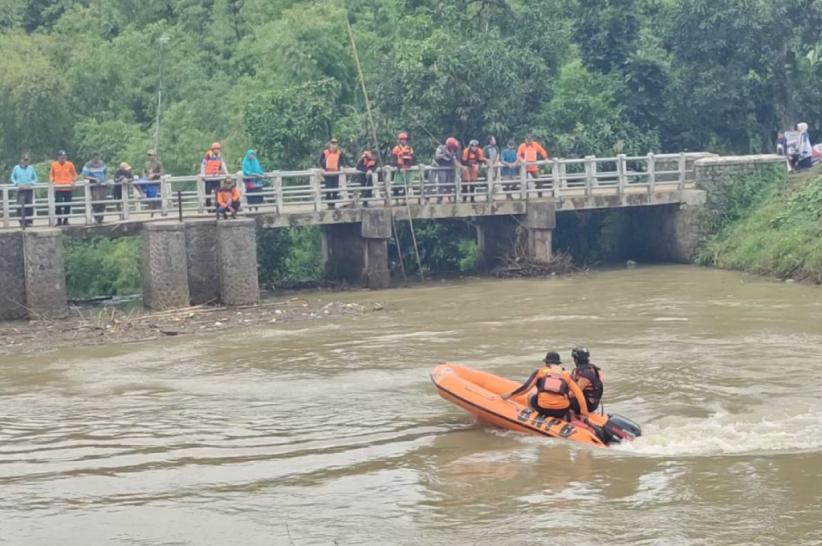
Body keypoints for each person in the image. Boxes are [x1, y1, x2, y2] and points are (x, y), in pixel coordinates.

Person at [501, 351, 589, 421]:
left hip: (543, 408)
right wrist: (584, 413)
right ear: (558, 364)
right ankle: (563, 419)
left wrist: (509, 395)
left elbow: (526, 388)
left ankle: (532, 419)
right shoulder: (566, 375)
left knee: (530, 396)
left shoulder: (540, 372)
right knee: (566, 401)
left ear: (546, 362)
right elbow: (579, 394)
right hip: (561, 411)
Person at [569, 347, 604, 413]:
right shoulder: (594, 369)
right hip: (592, 401)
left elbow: (575, 393)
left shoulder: (586, 373)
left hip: (588, 404)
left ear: (576, 359)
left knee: (560, 399)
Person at [49, 150, 77, 225]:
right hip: (58, 188)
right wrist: (52, 181)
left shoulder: (70, 164)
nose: (63, 158)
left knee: (68, 204)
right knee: (58, 204)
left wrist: (73, 181)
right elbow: (51, 175)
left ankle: (66, 220)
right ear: (58, 157)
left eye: (64, 157)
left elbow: (74, 174)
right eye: (61, 157)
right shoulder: (54, 165)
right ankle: (59, 220)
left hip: (68, 187)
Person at [10, 154, 38, 227]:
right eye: (25, 160)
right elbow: (12, 177)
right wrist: (16, 183)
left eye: (27, 160)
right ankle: (21, 222)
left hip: (29, 189)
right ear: (21, 160)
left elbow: (35, 178)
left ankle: (29, 221)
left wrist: (32, 183)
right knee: (20, 205)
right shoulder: (16, 168)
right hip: (20, 189)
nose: (26, 161)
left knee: (29, 205)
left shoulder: (31, 168)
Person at [431, 137, 460, 203]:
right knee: (442, 183)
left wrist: (461, 167)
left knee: (449, 184)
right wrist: (444, 154)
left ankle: (450, 198)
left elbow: (455, 161)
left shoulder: (452, 152)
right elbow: (436, 157)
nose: (453, 148)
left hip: (449, 169)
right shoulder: (440, 148)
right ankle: (439, 198)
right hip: (441, 168)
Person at [200, 142, 228, 210]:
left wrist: (227, 173)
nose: (217, 150)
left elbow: (223, 165)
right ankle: (209, 208)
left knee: (218, 193)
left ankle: (217, 207)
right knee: (208, 193)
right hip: (208, 177)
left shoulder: (219, 156)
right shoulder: (208, 155)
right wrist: (203, 174)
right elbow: (203, 165)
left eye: (218, 149)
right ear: (213, 149)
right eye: (216, 149)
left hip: (216, 177)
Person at [82, 153, 108, 224]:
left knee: (103, 202)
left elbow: (105, 172)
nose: (97, 159)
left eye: (98, 157)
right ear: (92, 157)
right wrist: (94, 179)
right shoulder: (88, 165)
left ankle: (101, 218)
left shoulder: (102, 163)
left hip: (103, 185)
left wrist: (105, 180)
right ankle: (96, 217)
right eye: (95, 157)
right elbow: (85, 176)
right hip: (94, 185)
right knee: (96, 201)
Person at [319, 139, 345, 208]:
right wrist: (322, 168)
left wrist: (342, 167)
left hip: (336, 173)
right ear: (330, 145)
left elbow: (342, 162)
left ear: (337, 145)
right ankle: (329, 204)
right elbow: (320, 162)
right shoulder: (325, 152)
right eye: (332, 144)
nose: (333, 145)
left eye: (335, 144)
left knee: (335, 190)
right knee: (328, 189)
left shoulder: (339, 153)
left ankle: (333, 204)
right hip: (327, 173)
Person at [391, 132, 415, 203]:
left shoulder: (409, 148)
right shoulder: (396, 149)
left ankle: (404, 199)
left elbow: (413, 158)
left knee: (406, 185)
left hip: (407, 169)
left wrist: (408, 165)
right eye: (402, 139)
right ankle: (396, 199)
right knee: (396, 185)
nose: (403, 141)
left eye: (404, 139)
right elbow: (393, 159)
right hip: (399, 169)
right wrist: (399, 167)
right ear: (399, 140)